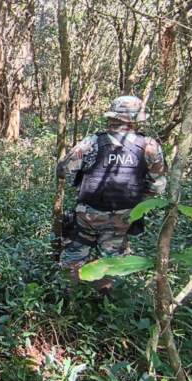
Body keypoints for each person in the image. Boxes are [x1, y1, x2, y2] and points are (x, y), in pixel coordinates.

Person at [57, 95, 166, 294]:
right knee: (112, 263)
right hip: (123, 217)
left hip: (88, 215)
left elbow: (63, 169)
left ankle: (67, 299)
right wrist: (136, 204)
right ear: (135, 120)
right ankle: (104, 301)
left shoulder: (92, 142)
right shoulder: (149, 146)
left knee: (74, 257)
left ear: (112, 117)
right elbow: (157, 186)